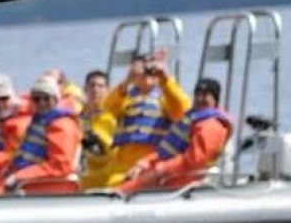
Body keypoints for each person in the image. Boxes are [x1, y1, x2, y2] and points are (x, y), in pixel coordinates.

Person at [120, 77, 232, 193]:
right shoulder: (193, 119)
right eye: (197, 94)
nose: (200, 98)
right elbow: (167, 151)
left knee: (129, 189)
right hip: (170, 177)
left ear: (215, 99)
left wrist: (162, 169)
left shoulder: (211, 126)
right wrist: (144, 163)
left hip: (185, 184)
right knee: (128, 182)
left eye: (205, 95)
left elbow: (196, 162)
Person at [104, 54, 190, 186]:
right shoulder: (124, 97)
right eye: (142, 70)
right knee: (115, 187)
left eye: (150, 70)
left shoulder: (165, 98)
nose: (147, 73)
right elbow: (108, 108)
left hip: (152, 164)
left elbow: (182, 109)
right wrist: (127, 81)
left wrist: (165, 79)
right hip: (123, 166)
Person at [0, 75, 82, 194]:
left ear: (55, 100)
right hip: (31, 184)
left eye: (46, 98)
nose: (42, 103)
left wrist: (20, 176)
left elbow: (61, 166)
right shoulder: (39, 121)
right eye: (37, 99)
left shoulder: (62, 125)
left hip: (49, 187)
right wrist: (10, 169)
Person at [78, 69, 116, 189]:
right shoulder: (79, 117)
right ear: (85, 89)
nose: (95, 90)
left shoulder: (113, 117)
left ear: (107, 90)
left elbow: (105, 150)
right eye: (92, 85)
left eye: (101, 86)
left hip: (105, 180)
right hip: (82, 181)